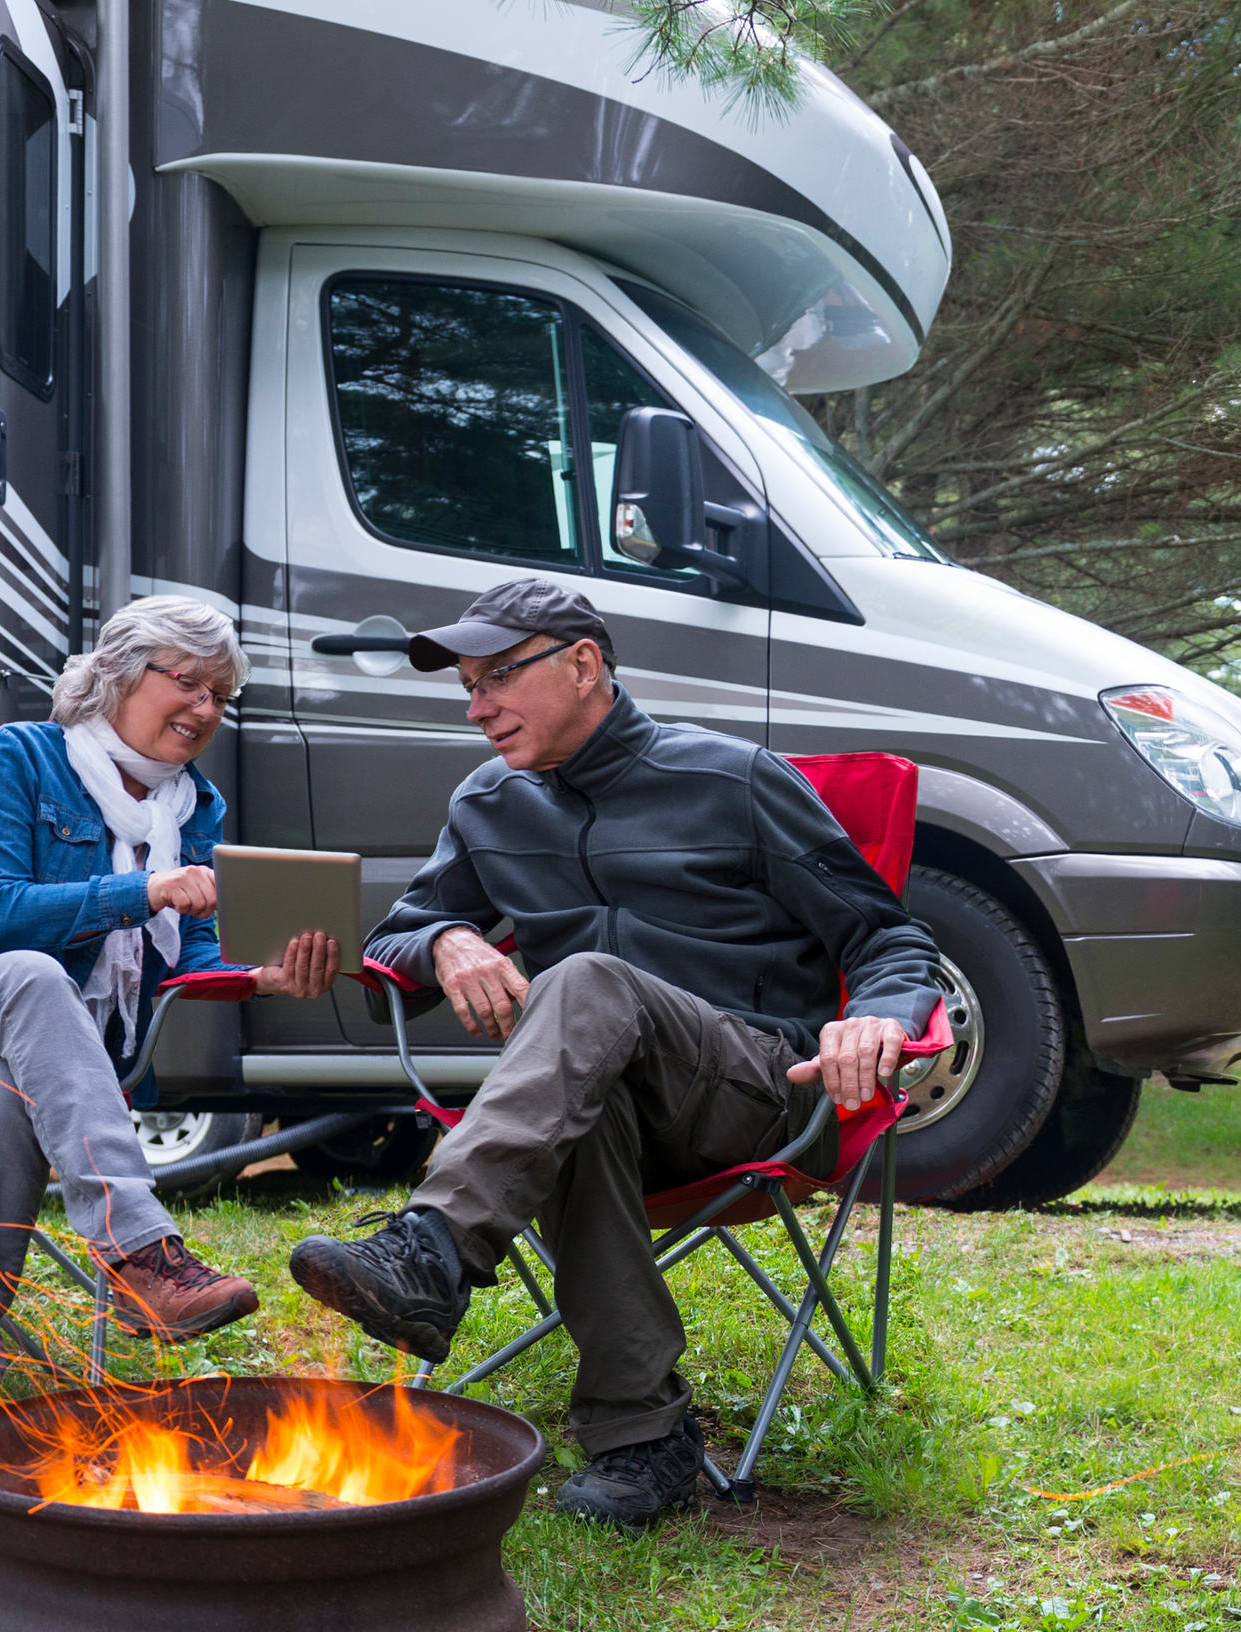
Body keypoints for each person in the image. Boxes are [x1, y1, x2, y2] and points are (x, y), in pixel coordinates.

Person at [288, 577, 939, 1529]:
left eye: (498, 678)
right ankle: (645, 1439)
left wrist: (877, 1017)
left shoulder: (734, 779)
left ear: (583, 664)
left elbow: (889, 940)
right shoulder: (489, 803)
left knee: (586, 981)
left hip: (752, 1089)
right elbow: (400, 934)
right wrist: (447, 941)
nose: (478, 709)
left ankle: (434, 1250)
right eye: (467, 687)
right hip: (584, 1101)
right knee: (578, 1091)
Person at [0, 597, 341, 1451]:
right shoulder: (19, 759)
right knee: (33, 976)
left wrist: (259, 976)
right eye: (188, 682)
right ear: (117, 675)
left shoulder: (194, 810)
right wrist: (140, 890)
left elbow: (191, 961)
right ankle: (141, 1254)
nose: (206, 709)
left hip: (25, 1071)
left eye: (221, 694)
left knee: (5, 1099)